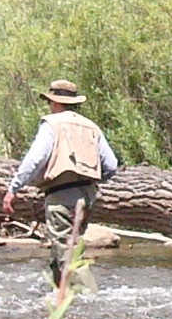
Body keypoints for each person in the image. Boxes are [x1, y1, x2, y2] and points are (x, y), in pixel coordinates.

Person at [7, 79, 119, 287]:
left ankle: (89, 297)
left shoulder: (52, 123)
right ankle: (59, 297)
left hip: (61, 195)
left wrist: (14, 187)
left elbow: (35, 159)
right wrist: (91, 181)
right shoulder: (91, 126)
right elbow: (111, 164)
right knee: (67, 247)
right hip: (88, 195)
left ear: (56, 103)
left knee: (67, 251)